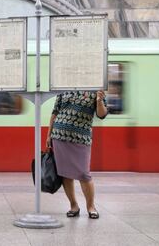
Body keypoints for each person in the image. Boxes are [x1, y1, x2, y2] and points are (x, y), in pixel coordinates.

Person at [46, 90, 108, 219]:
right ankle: (73, 205)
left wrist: (99, 101)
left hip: (82, 138)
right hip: (59, 135)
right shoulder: (62, 88)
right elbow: (55, 113)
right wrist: (48, 135)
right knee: (65, 174)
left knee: (84, 174)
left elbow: (102, 114)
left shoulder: (95, 89)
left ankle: (91, 207)